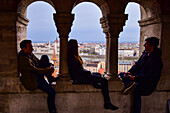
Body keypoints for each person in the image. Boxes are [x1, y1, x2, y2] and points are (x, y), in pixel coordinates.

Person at [67, 39, 118, 110]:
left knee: (98, 75)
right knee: (103, 81)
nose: (77, 47)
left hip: (81, 76)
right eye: (76, 45)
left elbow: (79, 70)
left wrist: (88, 73)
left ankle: (94, 83)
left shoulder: (72, 56)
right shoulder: (72, 57)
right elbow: (78, 71)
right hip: (79, 78)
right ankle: (107, 102)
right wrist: (88, 73)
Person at [119, 37, 163, 113]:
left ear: (151, 46)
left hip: (147, 84)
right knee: (122, 74)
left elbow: (149, 76)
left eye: (146, 44)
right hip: (138, 77)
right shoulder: (145, 54)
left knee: (137, 91)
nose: (144, 45)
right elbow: (137, 65)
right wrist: (130, 72)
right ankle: (131, 83)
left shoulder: (156, 61)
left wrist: (135, 78)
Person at [18, 40, 58, 113]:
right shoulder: (23, 59)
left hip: (36, 76)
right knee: (51, 92)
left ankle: (50, 78)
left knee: (44, 57)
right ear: (24, 49)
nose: (32, 48)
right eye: (30, 47)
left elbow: (39, 62)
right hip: (33, 80)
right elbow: (35, 70)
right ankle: (52, 111)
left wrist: (49, 65)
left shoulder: (29, 55)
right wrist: (48, 70)